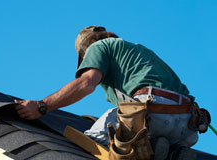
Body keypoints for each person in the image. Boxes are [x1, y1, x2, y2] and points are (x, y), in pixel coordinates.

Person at [15, 25, 198, 159]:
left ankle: (142, 147)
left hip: (153, 111)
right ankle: (168, 151)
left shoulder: (98, 47)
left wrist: (41, 106)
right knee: (156, 149)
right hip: (187, 126)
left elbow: (87, 83)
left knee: (96, 137)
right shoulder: (140, 52)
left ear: (84, 52)